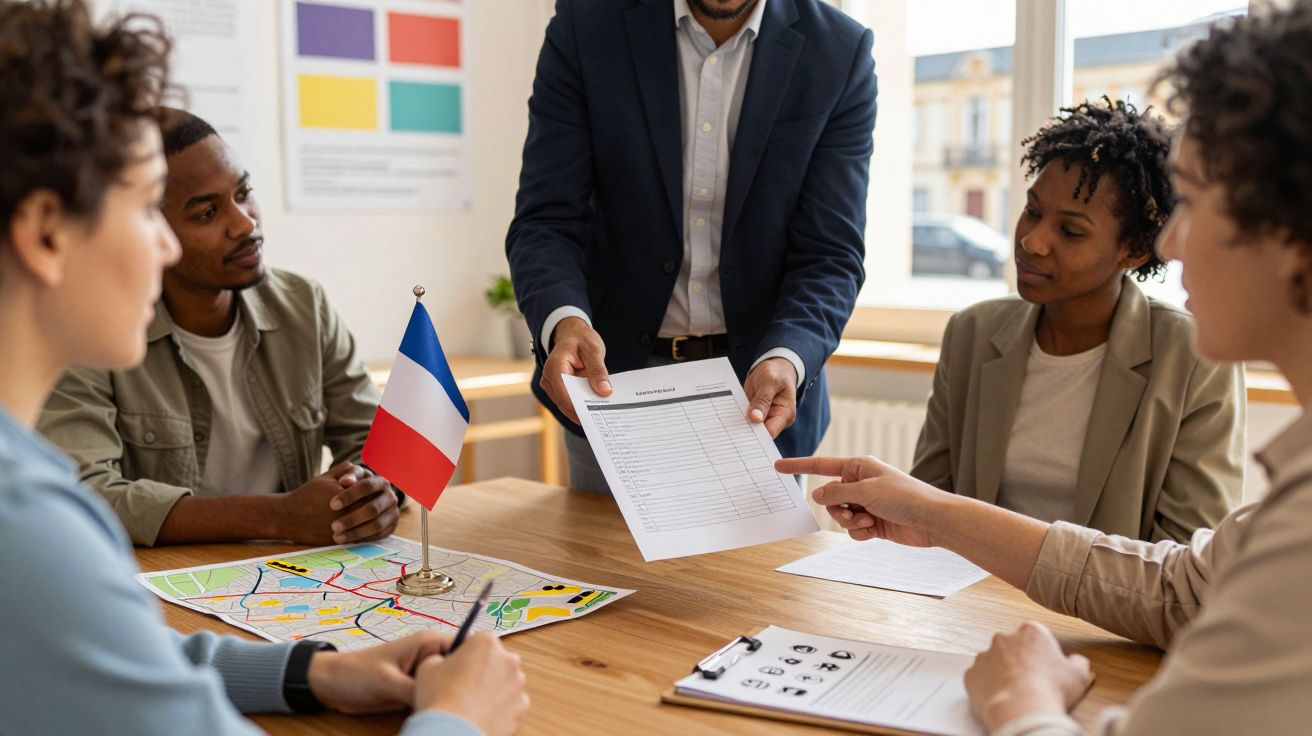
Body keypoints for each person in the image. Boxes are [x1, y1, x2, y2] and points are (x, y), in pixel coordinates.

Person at [779, 5, 1312, 733]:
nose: (1176, 243)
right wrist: (928, 512)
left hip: (1071, 659)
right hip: (969, 629)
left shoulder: (1293, 522)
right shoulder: (977, 332)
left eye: (1196, 201)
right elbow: (1179, 587)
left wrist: (1021, 698)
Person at [0, 2, 527, 734]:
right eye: (147, 207)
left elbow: (120, 656)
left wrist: (313, 670)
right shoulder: (28, 527)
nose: (159, 247)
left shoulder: (26, 489)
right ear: (47, 234)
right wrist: (459, 717)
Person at [506, 0, 876, 492]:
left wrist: (788, 356)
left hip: (756, 396)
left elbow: (830, 254)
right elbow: (548, 219)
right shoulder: (586, 27)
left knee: (746, 574)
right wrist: (564, 321)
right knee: (600, 570)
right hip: (611, 388)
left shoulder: (839, 51)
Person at [38, 108, 401, 547]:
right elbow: (85, 494)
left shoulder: (304, 304)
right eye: (207, 212)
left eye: (244, 192)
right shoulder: (89, 330)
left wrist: (373, 494)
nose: (245, 223)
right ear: (149, 230)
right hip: (166, 583)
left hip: (295, 576)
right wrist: (278, 516)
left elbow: (378, 440)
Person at [910, 99, 1244, 542]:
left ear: (1135, 251)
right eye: (1032, 210)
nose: (1033, 241)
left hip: (1111, 610)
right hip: (969, 599)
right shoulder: (973, 332)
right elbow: (928, 508)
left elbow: (1187, 557)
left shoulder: (1193, 357)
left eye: (1071, 232)